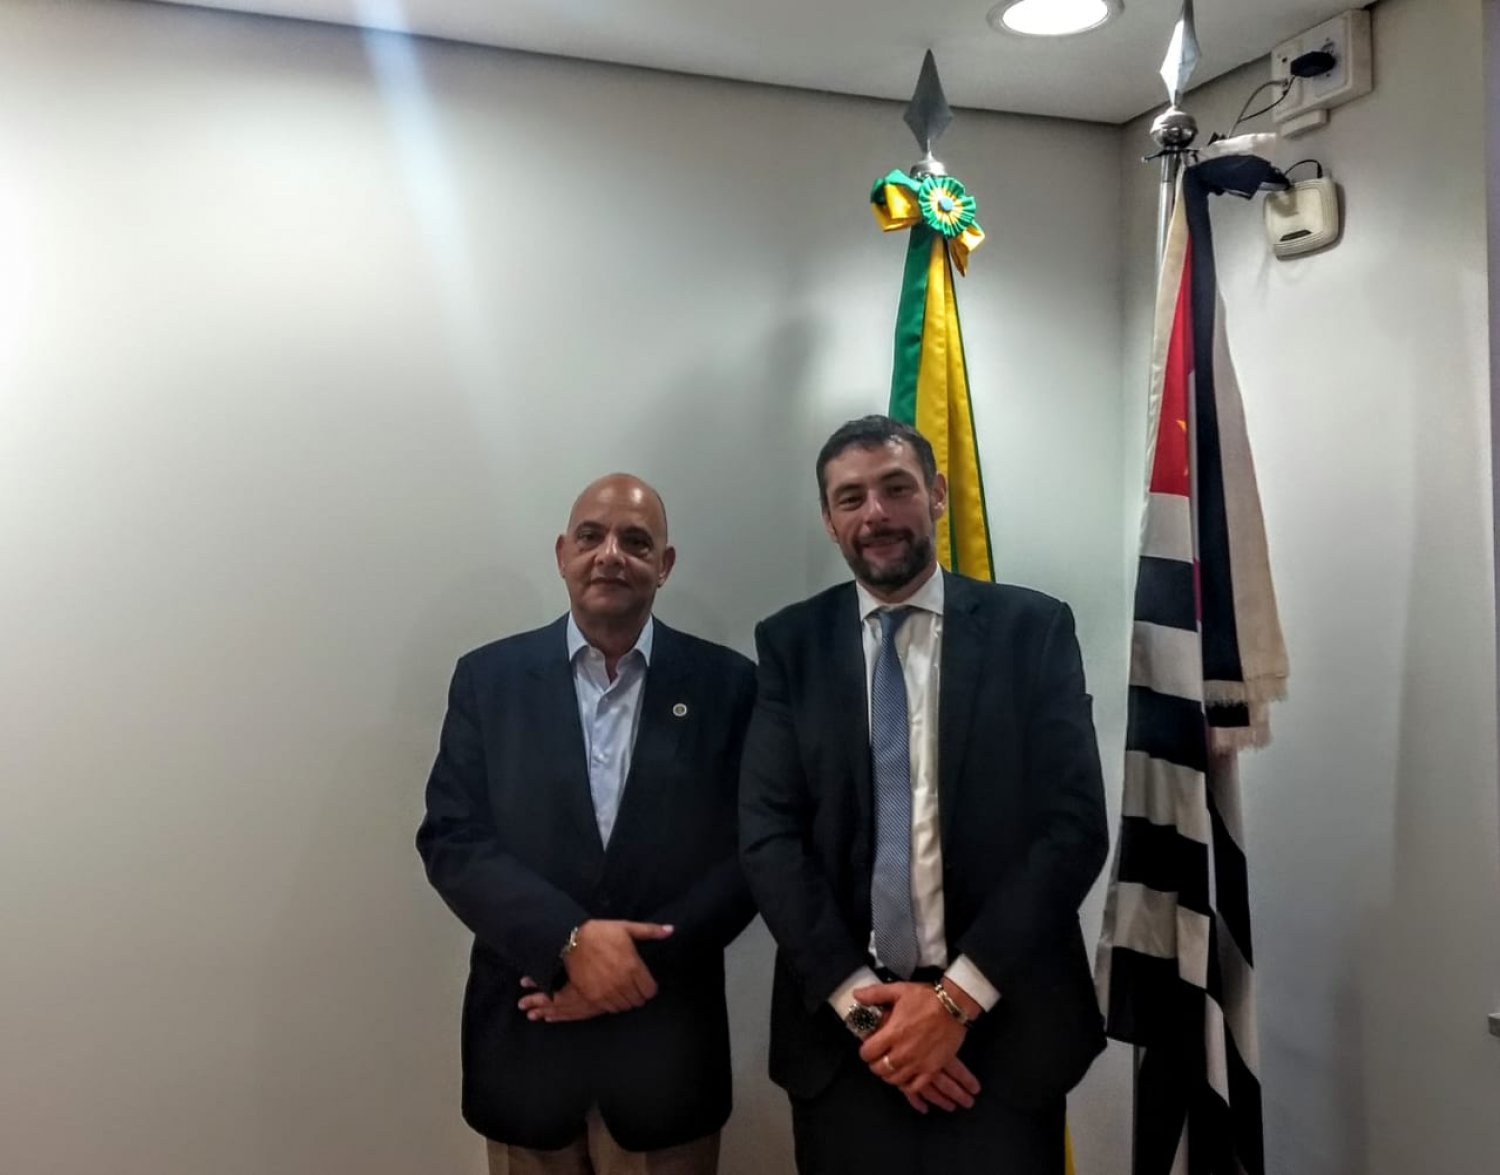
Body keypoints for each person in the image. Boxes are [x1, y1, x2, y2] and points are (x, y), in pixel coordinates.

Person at [739, 416, 1108, 1174]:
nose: (875, 513)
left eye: (895, 488)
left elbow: (1073, 828)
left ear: (937, 494)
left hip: (1005, 1037)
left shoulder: (1032, 630)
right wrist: (868, 1012)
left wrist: (953, 1002)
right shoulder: (790, 644)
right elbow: (769, 836)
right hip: (847, 1045)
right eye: (851, 498)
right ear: (829, 519)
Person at [418, 473, 757, 1175]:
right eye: (591, 536)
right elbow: (453, 838)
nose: (611, 555)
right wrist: (568, 942)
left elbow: (750, 855)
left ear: (664, 564)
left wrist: (627, 970)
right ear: (562, 553)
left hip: (666, 1054)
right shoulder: (489, 679)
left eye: (636, 541)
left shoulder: (728, 685)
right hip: (527, 1047)